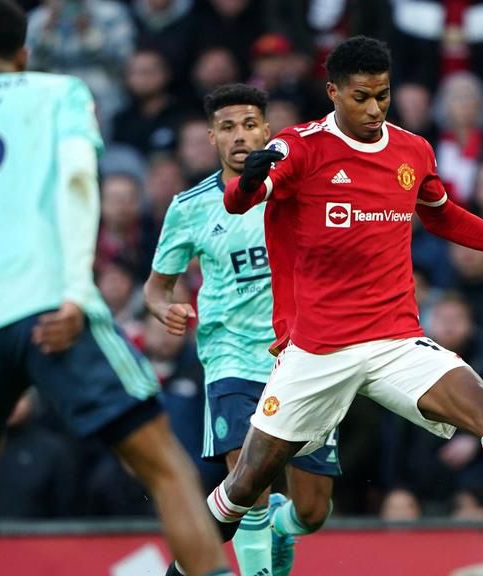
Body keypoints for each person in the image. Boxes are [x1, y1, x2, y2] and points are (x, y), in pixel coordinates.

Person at [181, 35, 483, 576]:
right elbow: (246, 196)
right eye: (361, 97)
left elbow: (442, 215)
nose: (374, 109)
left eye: (383, 96)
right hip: (317, 352)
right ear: (333, 93)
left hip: (395, 340)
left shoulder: (411, 151)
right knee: (245, 485)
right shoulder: (302, 147)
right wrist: (247, 183)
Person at [0, 1, 233, 575]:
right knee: (164, 465)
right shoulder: (59, 93)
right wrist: (77, 290)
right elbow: (78, 184)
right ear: (24, 53)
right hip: (53, 305)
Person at [145, 83, 339, 576]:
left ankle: (282, 526)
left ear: (267, 131)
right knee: (244, 476)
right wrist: (163, 308)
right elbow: (155, 287)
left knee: (313, 511)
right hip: (229, 356)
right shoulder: (189, 206)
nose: (240, 136)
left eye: (249, 124)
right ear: (211, 137)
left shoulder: (302, 189)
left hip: (304, 356)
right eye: (228, 127)